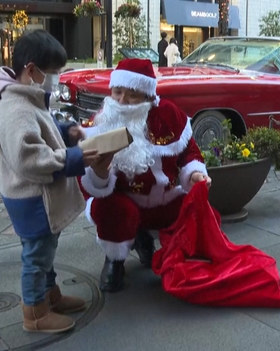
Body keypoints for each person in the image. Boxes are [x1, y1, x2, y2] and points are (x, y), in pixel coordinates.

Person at [0, 29, 100, 334]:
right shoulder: (16, 108)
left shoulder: (27, 97)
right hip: (32, 199)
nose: (55, 79)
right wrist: (74, 159)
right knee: (37, 255)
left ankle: (49, 295)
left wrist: (66, 131)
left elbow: (44, 128)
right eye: (53, 73)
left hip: (39, 198)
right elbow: (29, 157)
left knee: (46, 251)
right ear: (31, 70)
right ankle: (35, 313)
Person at [80, 58, 211, 292]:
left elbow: (189, 152)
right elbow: (88, 182)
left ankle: (179, 255)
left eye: (132, 95)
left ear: (148, 96)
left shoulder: (170, 115)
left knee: (193, 207)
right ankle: (115, 259)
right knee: (112, 209)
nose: (122, 101)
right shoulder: (102, 122)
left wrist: (194, 175)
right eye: (117, 92)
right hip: (124, 202)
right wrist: (100, 173)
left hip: (164, 198)